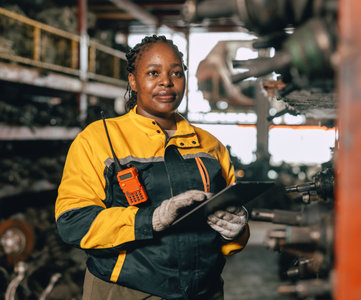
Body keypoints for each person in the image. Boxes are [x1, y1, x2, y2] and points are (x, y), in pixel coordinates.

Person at [55, 35, 249, 300]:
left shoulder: (210, 145)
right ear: (133, 81)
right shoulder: (99, 139)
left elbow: (226, 216)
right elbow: (73, 223)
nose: (166, 82)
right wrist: (151, 219)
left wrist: (237, 229)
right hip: (128, 291)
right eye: (153, 72)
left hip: (205, 290)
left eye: (176, 73)